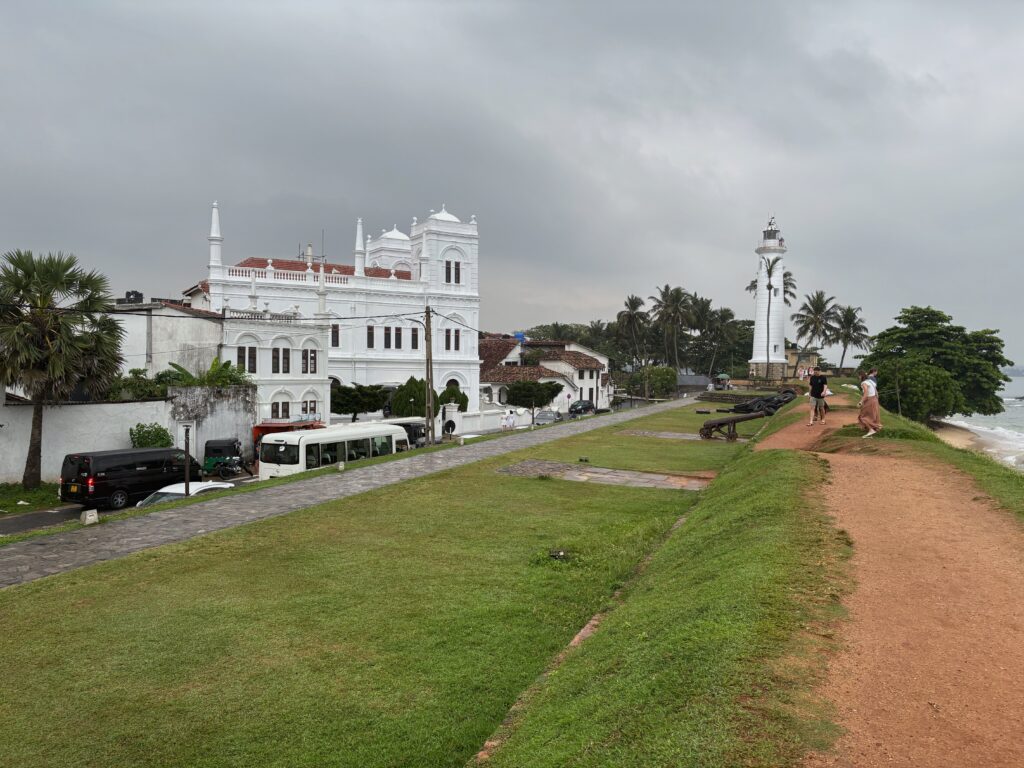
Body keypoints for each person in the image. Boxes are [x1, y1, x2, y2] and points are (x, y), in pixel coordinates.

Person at [858, 371, 883, 437]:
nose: (858, 377)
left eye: (859, 376)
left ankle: (871, 430)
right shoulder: (871, 381)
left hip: (870, 400)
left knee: (862, 416)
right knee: (873, 415)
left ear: (861, 376)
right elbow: (876, 392)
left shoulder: (863, 383)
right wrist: (875, 399)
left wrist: (861, 402)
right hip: (875, 399)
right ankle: (876, 427)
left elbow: (866, 393)